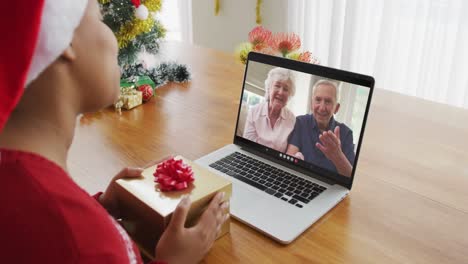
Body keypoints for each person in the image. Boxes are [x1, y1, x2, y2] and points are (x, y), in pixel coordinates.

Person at [0, 1, 228, 263]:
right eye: (99, 19)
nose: (115, 37)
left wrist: (99, 208)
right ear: (65, 42)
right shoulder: (92, 244)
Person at [286, 80, 355, 177]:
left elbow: (350, 177)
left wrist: (337, 156)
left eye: (328, 101)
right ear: (311, 104)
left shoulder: (346, 133)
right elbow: (289, 162)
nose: (322, 108)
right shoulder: (300, 122)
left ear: (337, 108)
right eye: (318, 100)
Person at [243, 67, 296, 152]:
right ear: (269, 88)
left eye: (286, 89)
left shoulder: (292, 119)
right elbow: (247, 146)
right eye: (277, 86)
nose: (281, 92)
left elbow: (290, 152)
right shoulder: (254, 112)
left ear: (289, 95)